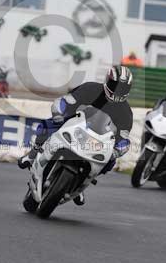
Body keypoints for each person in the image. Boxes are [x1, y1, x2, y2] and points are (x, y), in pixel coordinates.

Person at [18, 65, 134, 205]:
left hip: (97, 140)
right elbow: (68, 100)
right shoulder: (91, 88)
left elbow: (123, 136)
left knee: (110, 161)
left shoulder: (126, 112)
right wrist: (60, 112)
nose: (117, 91)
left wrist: (117, 149)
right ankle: (31, 155)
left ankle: (82, 181)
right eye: (115, 86)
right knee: (47, 126)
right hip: (74, 124)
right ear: (108, 81)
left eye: (122, 88)